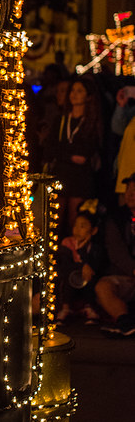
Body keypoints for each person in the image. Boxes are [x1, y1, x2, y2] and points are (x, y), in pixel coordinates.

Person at [41, 76, 103, 233]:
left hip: (80, 178)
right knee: (54, 222)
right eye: (73, 90)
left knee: (74, 223)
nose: (74, 94)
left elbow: (84, 154)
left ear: (88, 96)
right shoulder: (61, 119)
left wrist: (64, 151)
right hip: (60, 174)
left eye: (79, 91)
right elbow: (50, 147)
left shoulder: (91, 122)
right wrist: (69, 155)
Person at [95, 173, 135, 336]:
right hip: (125, 275)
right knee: (103, 287)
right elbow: (116, 251)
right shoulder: (116, 218)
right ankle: (125, 322)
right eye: (128, 190)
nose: (130, 194)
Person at [55, 204, 106, 324]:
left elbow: (96, 265)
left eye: (82, 226)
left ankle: (89, 306)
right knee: (68, 277)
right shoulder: (67, 242)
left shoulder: (94, 248)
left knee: (90, 276)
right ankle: (65, 308)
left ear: (93, 230)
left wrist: (83, 252)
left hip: (85, 280)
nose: (77, 229)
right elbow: (65, 264)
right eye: (75, 225)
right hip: (70, 277)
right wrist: (82, 266)